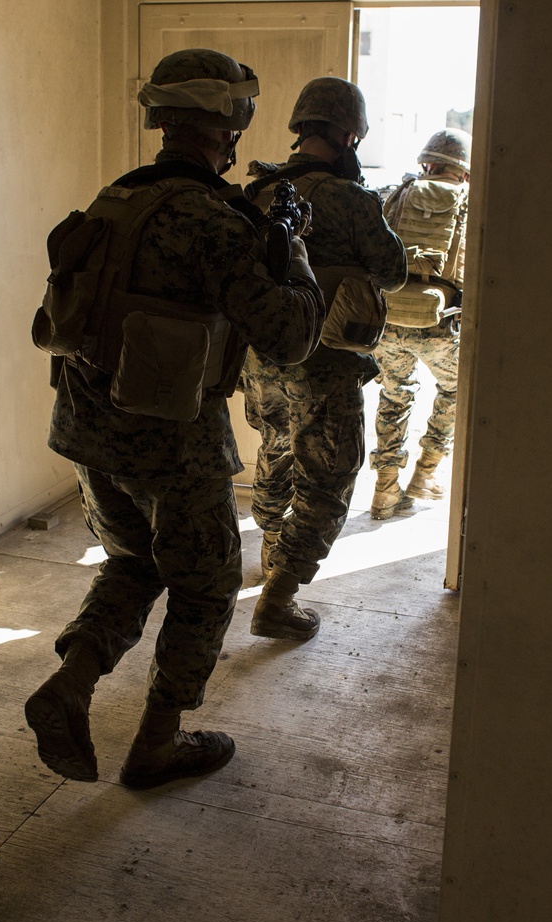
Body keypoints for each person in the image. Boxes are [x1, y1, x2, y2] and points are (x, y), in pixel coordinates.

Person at [24, 49, 323, 787]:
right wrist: (296, 253)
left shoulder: (114, 199)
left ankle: (72, 681)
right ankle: (157, 741)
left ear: (162, 120)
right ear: (229, 121)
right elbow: (288, 337)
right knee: (206, 584)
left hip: (87, 432)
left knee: (132, 562)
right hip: (172, 446)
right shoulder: (217, 222)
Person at [241, 77, 407, 641]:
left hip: (262, 362)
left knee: (275, 447)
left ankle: (269, 548)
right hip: (327, 365)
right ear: (349, 135)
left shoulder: (258, 191)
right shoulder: (351, 199)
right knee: (329, 479)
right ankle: (279, 598)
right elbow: (393, 271)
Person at [369, 127, 471, 519]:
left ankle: (384, 490)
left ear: (427, 162)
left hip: (390, 319)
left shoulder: (398, 193)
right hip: (441, 324)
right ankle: (425, 474)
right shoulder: (470, 201)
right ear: (463, 170)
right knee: (457, 390)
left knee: (394, 396)